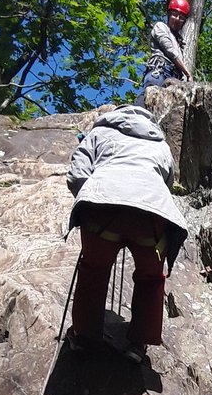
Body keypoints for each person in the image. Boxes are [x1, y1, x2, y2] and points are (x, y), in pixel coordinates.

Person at [65, 105, 188, 362]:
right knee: (150, 278)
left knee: (94, 269)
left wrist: (90, 201)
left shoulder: (99, 133)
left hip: (102, 211)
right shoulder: (160, 145)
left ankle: (85, 336)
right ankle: (138, 344)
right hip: (151, 216)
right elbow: (166, 184)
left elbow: (77, 174)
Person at [135, 0, 193, 108]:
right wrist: (187, 73)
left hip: (173, 80)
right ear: (169, 14)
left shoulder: (179, 43)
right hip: (160, 73)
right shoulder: (160, 27)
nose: (177, 19)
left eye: (181, 17)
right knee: (148, 101)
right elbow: (170, 50)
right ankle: (131, 116)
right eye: (174, 15)